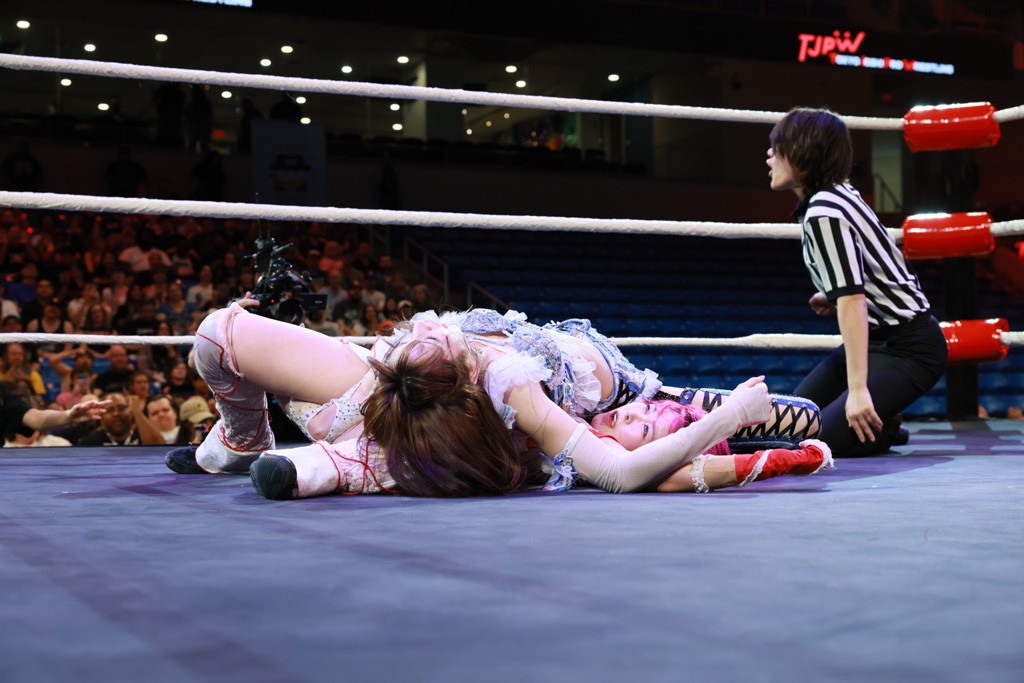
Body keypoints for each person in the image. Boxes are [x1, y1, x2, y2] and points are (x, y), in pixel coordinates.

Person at [166, 302, 827, 500]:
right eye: (425, 339)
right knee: (801, 417)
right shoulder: (512, 387)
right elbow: (622, 473)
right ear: (457, 369)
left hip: (622, 384)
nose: (424, 327)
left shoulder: (427, 370)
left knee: (224, 335)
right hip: (619, 390)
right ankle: (259, 443)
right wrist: (729, 417)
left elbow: (218, 337)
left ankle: (252, 441)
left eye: (421, 335)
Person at [766, 108, 947, 456]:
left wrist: (859, 391)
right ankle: (883, 417)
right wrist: (832, 292)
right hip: (879, 341)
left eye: (778, 146)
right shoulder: (839, 194)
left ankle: (884, 423)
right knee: (787, 423)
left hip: (910, 348)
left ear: (803, 152)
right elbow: (874, 262)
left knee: (814, 443)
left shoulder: (824, 210)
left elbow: (854, 301)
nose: (770, 155)